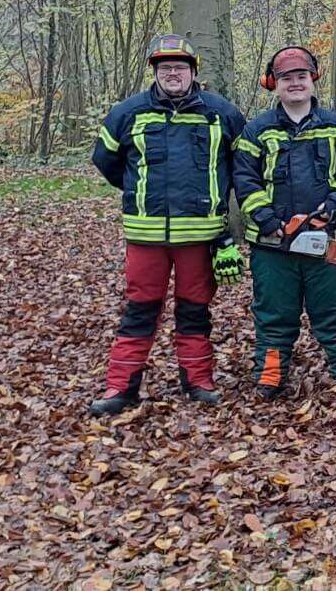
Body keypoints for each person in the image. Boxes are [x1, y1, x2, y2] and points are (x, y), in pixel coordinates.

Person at [88, 34, 247, 415]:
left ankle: (198, 381)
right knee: (140, 310)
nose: (172, 74)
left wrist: (227, 232)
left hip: (201, 235)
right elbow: (105, 160)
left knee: (195, 310)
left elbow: (243, 166)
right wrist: (139, 192)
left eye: (179, 67)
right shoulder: (127, 113)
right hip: (145, 236)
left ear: (193, 72)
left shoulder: (222, 113)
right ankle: (120, 387)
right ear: (154, 73)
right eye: (165, 68)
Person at [231, 46, 336, 400]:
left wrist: (334, 206)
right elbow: (245, 179)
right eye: (287, 78)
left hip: (329, 239)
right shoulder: (256, 131)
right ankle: (271, 376)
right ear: (273, 84)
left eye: (301, 77)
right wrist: (268, 219)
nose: (295, 84)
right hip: (274, 245)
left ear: (313, 80)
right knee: (274, 313)